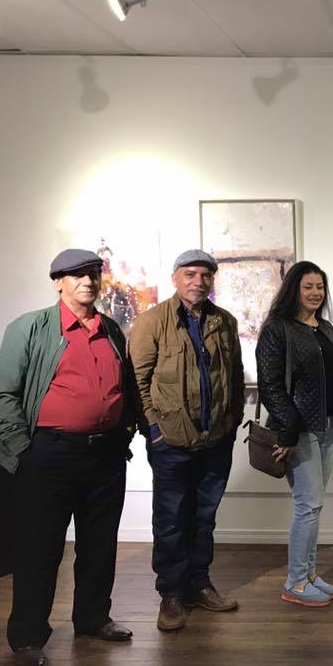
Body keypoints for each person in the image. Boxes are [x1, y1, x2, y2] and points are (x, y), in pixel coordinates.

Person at [0, 249, 138, 666]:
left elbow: (126, 386)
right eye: (76, 275)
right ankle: (27, 637)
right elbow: (4, 394)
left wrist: (125, 432)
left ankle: (92, 618)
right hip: (49, 454)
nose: (88, 281)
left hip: (105, 455)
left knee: (100, 544)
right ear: (58, 282)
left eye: (93, 274)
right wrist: (22, 450)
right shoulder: (30, 327)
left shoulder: (110, 329)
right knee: (39, 549)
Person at [128, 249, 245, 631]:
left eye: (205, 275)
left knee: (204, 518)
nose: (198, 281)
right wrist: (154, 430)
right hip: (171, 443)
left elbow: (235, 374)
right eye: (190, 274)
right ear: (175, 278)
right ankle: (172, 594)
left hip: (216, 441)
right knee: (171, 520)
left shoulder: (224, 322)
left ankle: (199, 585)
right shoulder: (152, 321)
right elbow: (137, 380)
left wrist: (232, 423)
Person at [256, 261, 333, 607]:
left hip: (329, 427)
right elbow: (270, 387)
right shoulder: (277, 330)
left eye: (319, 287)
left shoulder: (325, 328)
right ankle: (296, 582)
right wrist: (287, 434)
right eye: (308, 287)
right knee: (308, 505)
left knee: (314, 507)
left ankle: (310, 574)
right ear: (294, 290)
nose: (315, 293)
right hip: (299, 431)